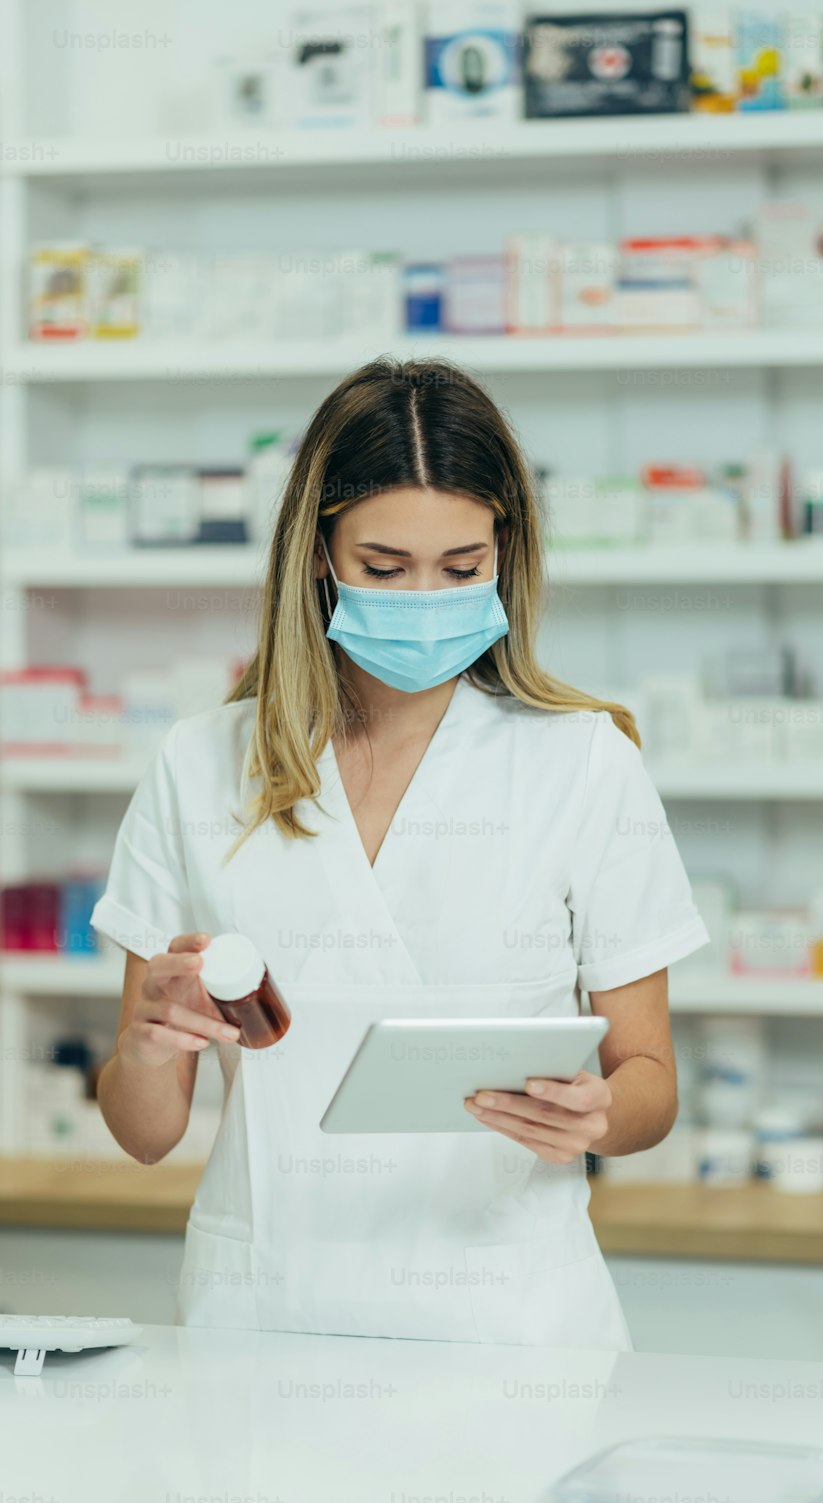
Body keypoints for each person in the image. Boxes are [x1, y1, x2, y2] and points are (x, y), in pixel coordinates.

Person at [92, 357, 708, 1350]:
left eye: (461, 568)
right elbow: (145, 1131)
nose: (426, 596)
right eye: (385, 567)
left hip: (511, 1327)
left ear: (505, 553)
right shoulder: (201, 767)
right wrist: (148, 1045)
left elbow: (649, 1079)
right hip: (267, 1317)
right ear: (319, 554)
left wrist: (596, 1115)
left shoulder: (582, 761)